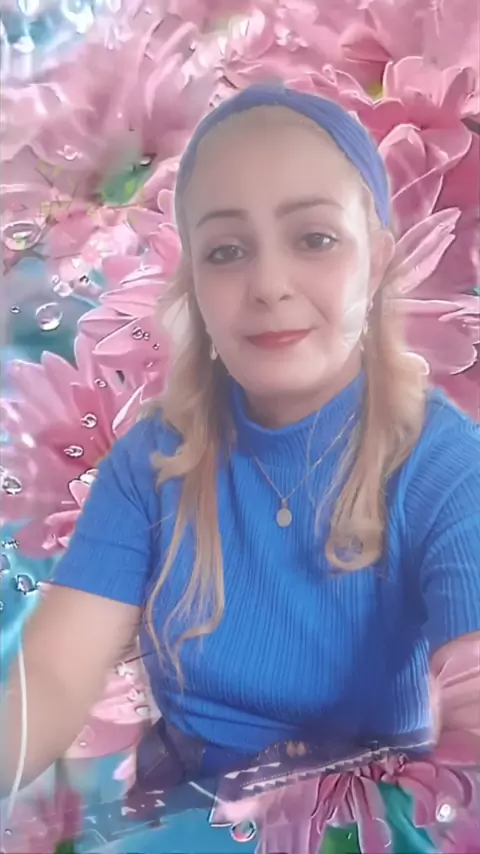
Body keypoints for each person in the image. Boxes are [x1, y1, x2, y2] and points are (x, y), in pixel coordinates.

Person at [2, 84, 480, 796]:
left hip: (359, 819)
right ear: (193, 283)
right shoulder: (151, 462)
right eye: (226, 251)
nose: (269, 285)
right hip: (181, 817)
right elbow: (53, 674)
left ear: (378, 261)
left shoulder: (442, 461)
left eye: (314, 239)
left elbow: (471, 678)